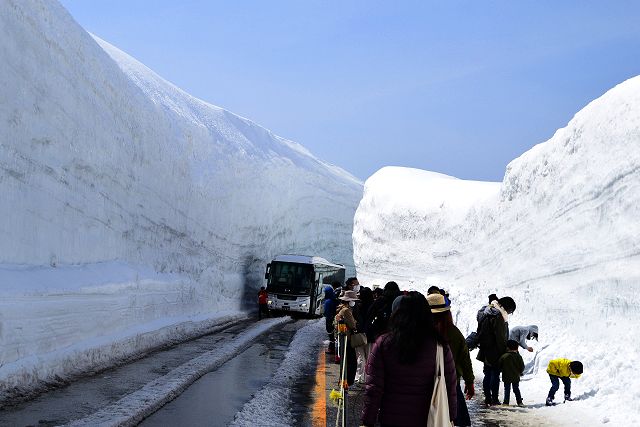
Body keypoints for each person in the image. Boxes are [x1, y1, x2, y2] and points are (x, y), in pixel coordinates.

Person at [361, 292, 457, 426]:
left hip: (391, 419)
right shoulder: (439, 347)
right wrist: (450, 416)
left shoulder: (383, 343)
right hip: (427, 419)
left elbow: (373, 388)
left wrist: (368, 420)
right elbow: (450, 386)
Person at [428, 293, 474, 427]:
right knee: (459, 421)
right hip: (451, 386)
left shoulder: (417, 334)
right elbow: (465, 359)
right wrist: (469, 382)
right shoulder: (454, 333)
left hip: (422, 388)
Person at [475, 295, 516, 405]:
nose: (509, 313)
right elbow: (500, 336)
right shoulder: (498, 315)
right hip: (495, 349)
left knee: (487, 374)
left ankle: (488, 397)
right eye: (510, 311)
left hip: (485, 347)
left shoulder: (487, 310)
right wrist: (504, 351)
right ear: (507, 307)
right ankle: (494, 399)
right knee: (494, 374)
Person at [335, 289, 359, 386]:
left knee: (345, 362)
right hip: (347, 339)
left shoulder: (341, 309)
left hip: (343, 338)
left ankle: (344, 381)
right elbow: (353, 325)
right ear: (349, 301)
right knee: (351, 362)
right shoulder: (347, 310)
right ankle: (348, 382)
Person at [355, 286, 374, 384]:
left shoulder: (358, 305)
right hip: (370, 335)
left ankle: (359, 377)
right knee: (369, 357)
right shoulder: (374, 305)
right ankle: (367, 378)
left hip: (359, 334)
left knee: (360, 357)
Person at [499, 340, 525, 406]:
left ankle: (506, 402)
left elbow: (499, 365)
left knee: (507, 389)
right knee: (516, 389)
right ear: (516, 348)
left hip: (506, 376)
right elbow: (522, 366)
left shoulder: (504, 356)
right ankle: (519, 402)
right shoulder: (518, 356)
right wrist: (520, 371)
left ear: (507, 347)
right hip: (516, 376)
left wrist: (501, 370)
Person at [323, 285, 338, 354]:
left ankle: (331, 349)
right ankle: (332, 348)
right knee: (333, 335)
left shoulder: (328, 301)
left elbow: (326, 312)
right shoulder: (335, 299)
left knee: (331, 335)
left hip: (329, 320)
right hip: (334, 319)